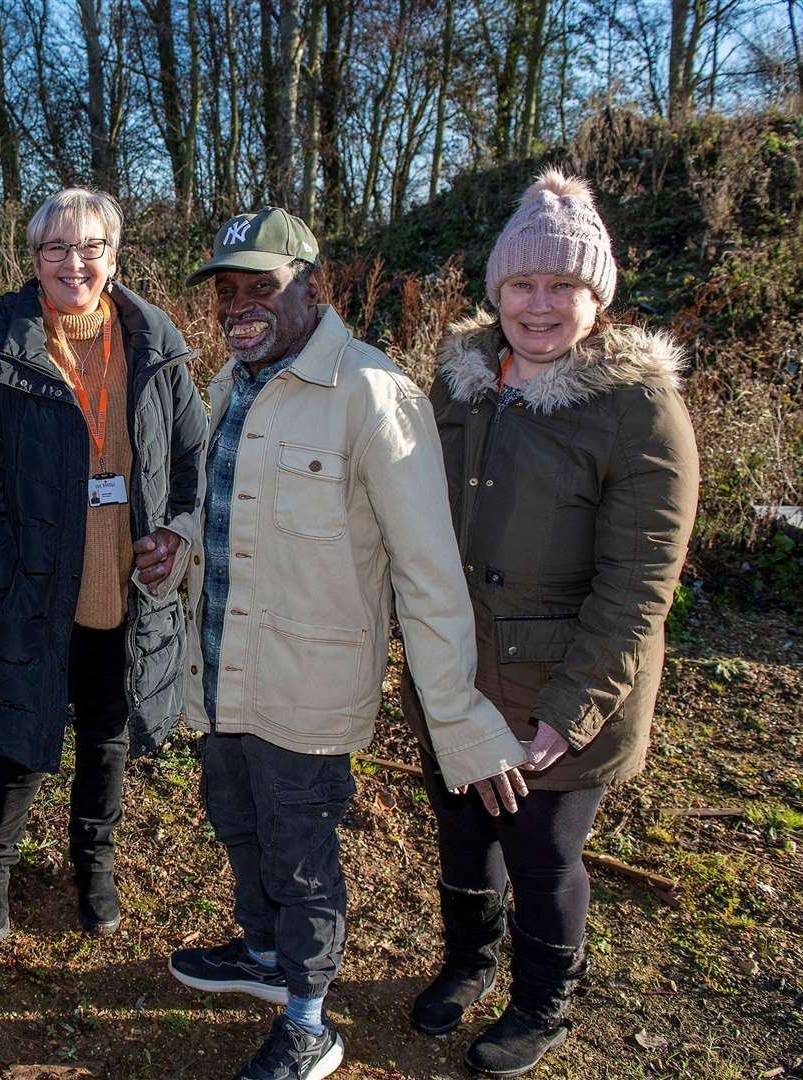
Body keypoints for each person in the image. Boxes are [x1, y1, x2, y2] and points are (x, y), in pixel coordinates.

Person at [168, 208, 533, 1080]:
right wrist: (176, 541)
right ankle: (262, 956)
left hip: (309, 685)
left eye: (263, 286)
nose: (240, 306)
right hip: (220, 672)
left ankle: (308, 1018)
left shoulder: (374, 395)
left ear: (316, 288)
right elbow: (220, 508)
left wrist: (461, 719)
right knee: (237, 822)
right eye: (227, 290)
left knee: (299, 853)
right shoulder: (231, 383)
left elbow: (430, 576)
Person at [404, 171, 698, 1077]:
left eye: (562, 286)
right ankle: (469, 961)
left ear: (595, 298)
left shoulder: (640, 411)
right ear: (497, 292)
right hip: (457, 670)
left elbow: (639, 585)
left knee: (542, 848)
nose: (540, 306)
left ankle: (543, 1002)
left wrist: (571, 708)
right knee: (461, 825)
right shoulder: (457, 387)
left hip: (564, 685)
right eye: (523, 285)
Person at [0, 187, 207, 940]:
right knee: (19, 744)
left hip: (127, 588)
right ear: (34, 260)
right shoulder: (2, 352)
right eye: (56, 248)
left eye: (91, 247)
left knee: (107, 741)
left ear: (114, 257)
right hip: (35, 593)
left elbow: (194, 457)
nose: (74, 263)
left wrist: (179, 536)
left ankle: (96, 869)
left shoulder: (156, 346)